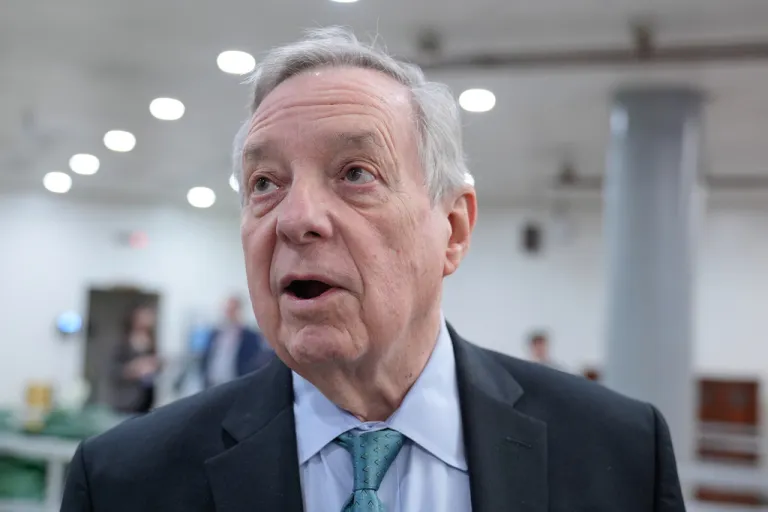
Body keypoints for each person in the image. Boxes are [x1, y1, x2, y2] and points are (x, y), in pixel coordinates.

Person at [62, 27, 685, 511]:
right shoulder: (124, 482)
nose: (295, 218)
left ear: (454, 230)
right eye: (264, 182)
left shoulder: (620, 453)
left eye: (356, 173)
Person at [200, 295, 272, 388]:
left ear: (240, 311)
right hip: (213, 384)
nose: (229, 313)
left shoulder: (249, 336)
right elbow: (206, 357)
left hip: (236, 384)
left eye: (233, 310)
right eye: (227, 310)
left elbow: (253, 361)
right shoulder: (215, 333)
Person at [109, 303, 161, 414]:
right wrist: (133, 368)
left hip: (147, 397)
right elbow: (113, 371)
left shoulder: (152, 342)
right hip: (127, 400)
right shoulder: (123, 343)